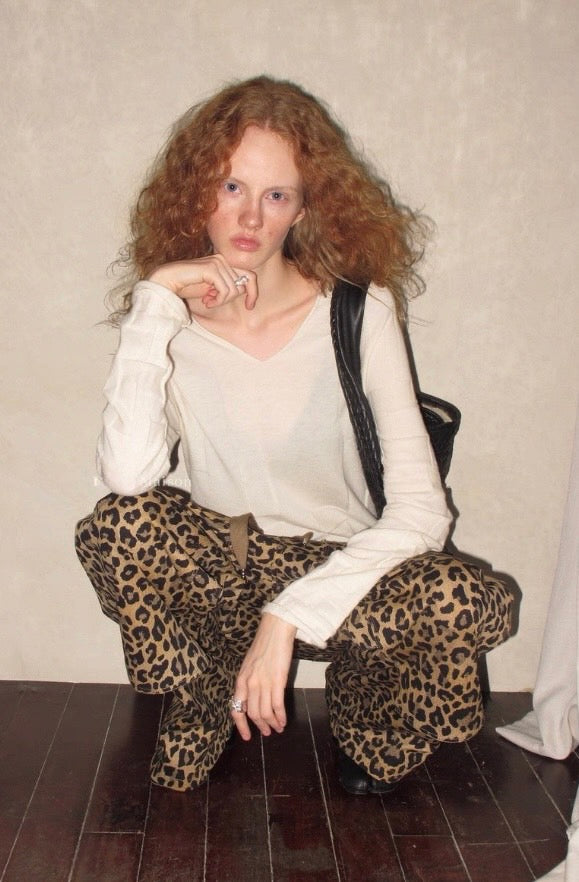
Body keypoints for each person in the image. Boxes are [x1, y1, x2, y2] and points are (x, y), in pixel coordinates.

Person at [75, 75, 513, 796]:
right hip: (225, 560)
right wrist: (153, 301)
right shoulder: (170, 322)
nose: (250, 216)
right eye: (230, 187)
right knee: (114, 527)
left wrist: (286, 617)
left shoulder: (357, 311)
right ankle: (205, 689)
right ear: (196, 193)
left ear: (304, 208)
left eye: (276, 195)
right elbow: (127, 478)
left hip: (341, 565)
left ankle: (369, 705)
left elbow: (421, 512)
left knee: (465, 598)